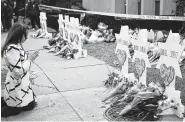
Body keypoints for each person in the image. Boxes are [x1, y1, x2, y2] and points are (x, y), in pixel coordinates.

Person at [1, 23, 39, 117]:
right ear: (19, 35)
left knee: (30, 104)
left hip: (22, 83)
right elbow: (18, 71)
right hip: (17, 83)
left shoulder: (17, 45)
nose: (26, 37)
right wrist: (29, 61)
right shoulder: (12, 48)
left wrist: (28, 60)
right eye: (25, 35)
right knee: (14, 109)